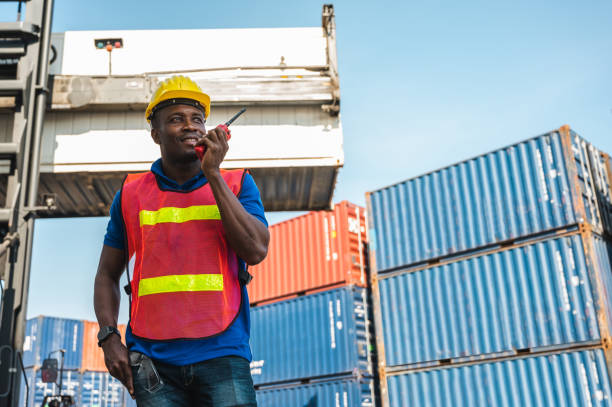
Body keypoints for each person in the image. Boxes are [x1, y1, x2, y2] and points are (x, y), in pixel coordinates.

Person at [93, 75, 269, 407]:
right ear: (156, 134)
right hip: (151, 358)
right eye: (176, 119)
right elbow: (106, 275)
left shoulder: (236, 184)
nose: (190, 126)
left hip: (222, 352)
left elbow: (256, 250)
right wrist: (109, 338)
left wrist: (212, 173)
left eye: (197, 119)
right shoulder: (131, 194)